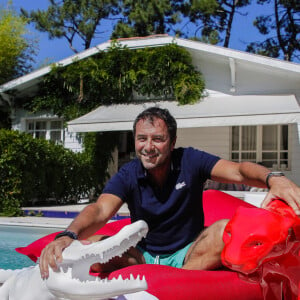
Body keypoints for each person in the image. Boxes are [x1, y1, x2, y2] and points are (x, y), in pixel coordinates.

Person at [39, 107, 300, 279]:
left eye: (158, 139)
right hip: (142, 254)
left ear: (172, 142)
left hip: (189, 252)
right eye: (142, 139)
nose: (148, 147)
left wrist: (272, 178)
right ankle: (153, 275)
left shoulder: (190, 160)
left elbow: (239, 171)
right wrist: (68, 236)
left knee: (223, 231)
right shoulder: (129, 173)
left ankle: (174, 283)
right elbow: (100, 210)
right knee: (91, 246)